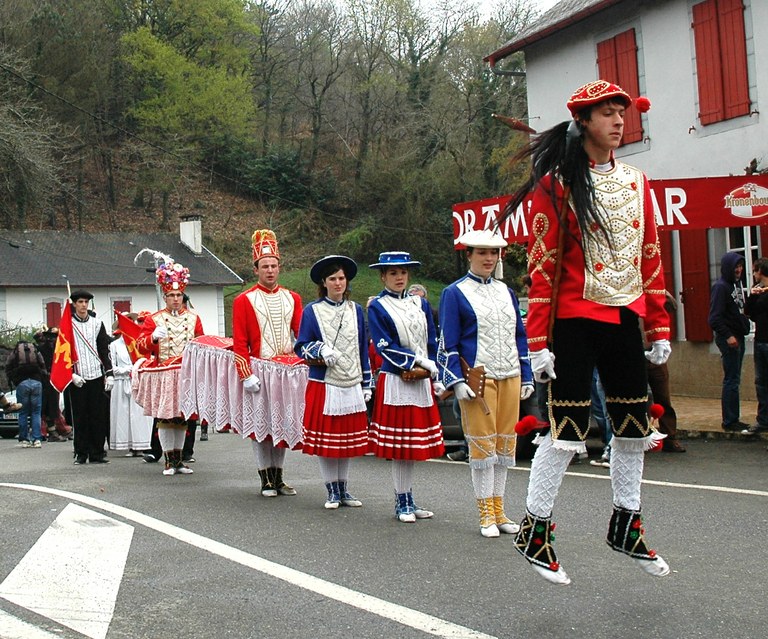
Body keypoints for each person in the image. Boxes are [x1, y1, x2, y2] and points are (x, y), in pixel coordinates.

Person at [499, 80, 671, 584]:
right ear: (584, 122)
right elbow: (543, 266)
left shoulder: (637, 182)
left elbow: (649, 256)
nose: (619, 122)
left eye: (622, 112)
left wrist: (658, 323)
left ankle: (626, 525)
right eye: (608, 114)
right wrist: (537, 342)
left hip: (624, 316)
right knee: (566, 432)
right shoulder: (558, 185)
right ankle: (534, 530)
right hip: (573, 321)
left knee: (634, 429)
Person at [438, 231, 533, 537]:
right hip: (478, 379)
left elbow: (519, 335)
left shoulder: (506, 291)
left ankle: (500, 510)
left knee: (505, 445)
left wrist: (526, 373)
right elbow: (448, 340)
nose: (489, 258)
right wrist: (455, 380)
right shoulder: (455, 292)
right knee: (482, 447)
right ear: (469, 255)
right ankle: (485, 514)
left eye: (494, 253)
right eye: (482, 252)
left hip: (510, 375)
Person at [368, 252, 445, 522]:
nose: (399, 277)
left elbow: (431, 338)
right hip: (398, 380)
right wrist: (416, 360)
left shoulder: (420, 303)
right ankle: (402, 502)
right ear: (383, 277)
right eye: (393, 273)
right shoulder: (378, 307)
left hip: (421, 379)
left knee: (413, 444)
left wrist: (435, 372)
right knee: (401, 446)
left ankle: (410, 499)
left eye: (403, 272)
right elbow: (384, 346)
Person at [294, 255, 372, 509]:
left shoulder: (356, 310)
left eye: (341, 278)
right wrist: (320, 349)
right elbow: (301, 346)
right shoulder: (312, 311)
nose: (338, 283)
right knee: (328, 441)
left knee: (346, 440)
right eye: (332, 279)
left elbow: (362, 347)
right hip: (325, 383)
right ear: (323, 283)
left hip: (351, 381)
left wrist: (366, 382)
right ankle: (331, 490)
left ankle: (344, 488)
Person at [232, 229, 302, 497]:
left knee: (281, 423)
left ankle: (279, 477)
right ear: (256, 269)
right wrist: (245, 374)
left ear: (279, 267)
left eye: (273, 266)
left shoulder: (293, 297)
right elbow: (239, 342)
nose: (270, 271)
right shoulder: (244, 300)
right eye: (265, 266)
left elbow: (301, 334)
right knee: (261, 425)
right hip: (259, 370)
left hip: (285, 371)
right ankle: (265, 478)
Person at [136, 261, 203, 475]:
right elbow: (140, 346)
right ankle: (168, 461)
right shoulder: (153, 319)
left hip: (186, 374)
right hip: (164, 374)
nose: (175, 299)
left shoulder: (194, 319)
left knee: (182, 418)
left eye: (179, 295)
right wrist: (153, 338)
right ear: (165, 297)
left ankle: (179, 460)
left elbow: (201, 344)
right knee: (166, 418)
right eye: (171, 295)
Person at [65, 290, 114, 464]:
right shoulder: (68, 325)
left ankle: (97, 452)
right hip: (78, 376)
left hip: (96, 374)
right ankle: (81, 453)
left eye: (86, 302)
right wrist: (71, 374)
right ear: (74, 304)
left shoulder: (97, 323)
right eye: (80, 302)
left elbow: (104, 350)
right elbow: (62, 353)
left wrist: (109, 374)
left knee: (98, 416)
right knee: (80, 417)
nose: (83, 305)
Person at [708, 252, 751, 432]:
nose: (739, 270)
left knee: (735, 378)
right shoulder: (721, 287)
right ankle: (730, 420)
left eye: (740, 266)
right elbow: (714, 318)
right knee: (731, 379)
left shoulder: (736, 285)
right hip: (730, 338)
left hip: (738, 335)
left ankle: (734, 417)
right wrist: (728, 336)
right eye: (736, 267)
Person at [109, 312, 153, 455]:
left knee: (139, 413)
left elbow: (147, 360)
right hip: (121, 382)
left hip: (138, 381)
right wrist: (127, 370)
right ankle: (128, 444)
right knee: (123, 414)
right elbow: (112, 367)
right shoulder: (114, 345)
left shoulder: (140, 342)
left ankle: (142, 443)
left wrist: (136, 369)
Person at [647, 292, 685, 452]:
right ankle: (642, 436)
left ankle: (670, 437)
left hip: (656, 355)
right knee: (638, 400)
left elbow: (672, 305)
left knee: (663, 397)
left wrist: (659, 292)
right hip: (635, 353)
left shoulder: (652, 295)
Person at [6, 340, 47, 448]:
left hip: (22, 383)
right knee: (36, 412)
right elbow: (43, 365)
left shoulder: (15, 351)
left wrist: (13, 379)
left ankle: (24, 440)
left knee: (23, 412)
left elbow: (8, 366)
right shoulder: (35, 350)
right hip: (37, 382)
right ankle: (37, 439)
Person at [33, 327, 71, 442]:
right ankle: (51, 431)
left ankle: (47, 431)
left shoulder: (40, 349)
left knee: (47, 406)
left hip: (45, 379)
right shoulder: (56, 348)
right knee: (51, 406)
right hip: (51, 379)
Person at [743, 258, 768, 435]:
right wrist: (752, 295)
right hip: (760, 340)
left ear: (761, 271)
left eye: (754, 271)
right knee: (761, 382)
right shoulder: (758, 290)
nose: (753, 274)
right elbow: (748, 312)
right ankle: (763, 420)